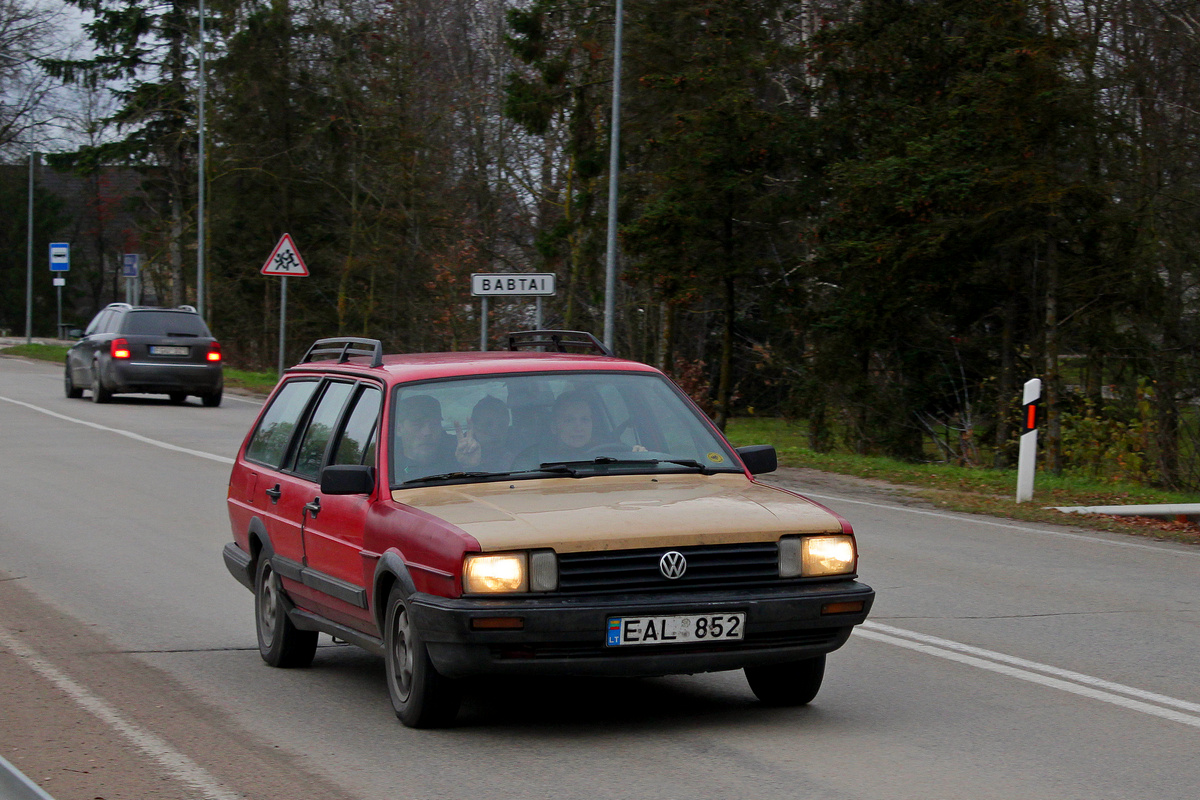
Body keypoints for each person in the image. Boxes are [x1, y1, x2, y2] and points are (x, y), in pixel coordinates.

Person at [393, 395, 457, 480]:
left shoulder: (458, 455)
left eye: (434, 424)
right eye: (417, 424)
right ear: (399, 429)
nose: (427, 432)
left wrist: (469, 466)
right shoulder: (387, 465)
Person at [454, 395, 513, 472]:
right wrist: (468, 466)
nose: (495, 432)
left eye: (502, 425)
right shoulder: (457, 452)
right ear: (473, 427)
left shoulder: (519, 450)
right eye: (487, 425)